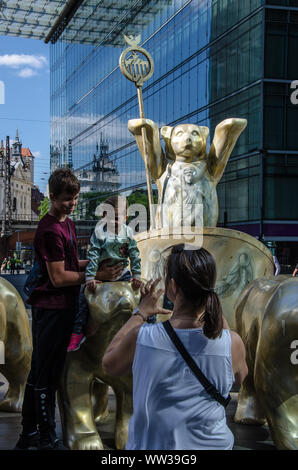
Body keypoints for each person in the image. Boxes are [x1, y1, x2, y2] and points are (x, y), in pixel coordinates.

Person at [14, 168, 125, 451]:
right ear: (52, 196)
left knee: (40, 372)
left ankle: (29, 434)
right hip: (50, 310)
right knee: (46, 375)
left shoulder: (68, 223)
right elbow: (59, 277)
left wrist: (97, 265)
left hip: (61, 307)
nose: (72, 203)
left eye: (75, 198)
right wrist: (97, 276)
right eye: (67, 199)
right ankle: (46, 436)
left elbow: (71, 263)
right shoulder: (49, 229)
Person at [103, 244, 248, 450]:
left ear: (172, 286)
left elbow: (109, 363)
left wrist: (141, 313)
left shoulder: (143, 338)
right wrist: (213, 308)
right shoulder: (232, 343)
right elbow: (239, 378)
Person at [67, 195, 143, 352]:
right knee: (83, 297)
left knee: (144, 293)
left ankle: (148, 326)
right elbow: (93, 254)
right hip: (102, 273)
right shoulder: (99, 233)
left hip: (123, 273)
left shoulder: (128, 232)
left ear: (126, 217)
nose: (115, 221)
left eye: (119, 217)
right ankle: (77, 332)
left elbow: (134, 254)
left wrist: (136, 276)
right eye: (111, 217)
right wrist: (90, 277)